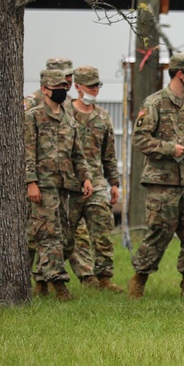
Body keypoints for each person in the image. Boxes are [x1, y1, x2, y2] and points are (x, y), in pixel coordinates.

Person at [128, 53, 184, 298]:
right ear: (180, 73)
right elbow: (139, 138)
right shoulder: (154, 102)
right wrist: (170, 148)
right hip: (161, 181)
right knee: (160, 231)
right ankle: (139, 279)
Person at [25, 69, 92, 301]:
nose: (62, 91)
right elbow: (27, 152)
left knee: (66, 237)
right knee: (49, 236)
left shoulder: (68, 116)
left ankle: (41, 280)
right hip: (42, 187)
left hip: (65, 185)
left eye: (65, 87)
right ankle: (59, 286)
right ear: (44, 89)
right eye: (57, 88)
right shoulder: (33, 116)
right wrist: (30, 182)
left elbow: (77, 152)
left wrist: (85, 177)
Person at [64, 66, 122, 293]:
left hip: (97, 183)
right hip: (70, 185)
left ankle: (104, 278)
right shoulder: (64, 114)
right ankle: (59, 277)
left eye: (98, 85)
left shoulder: (102, 117)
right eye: (90, 86)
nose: (95, 90)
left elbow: (108, 154)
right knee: (68, 237)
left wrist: (114, 183)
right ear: (77, 87)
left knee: (102, 231)